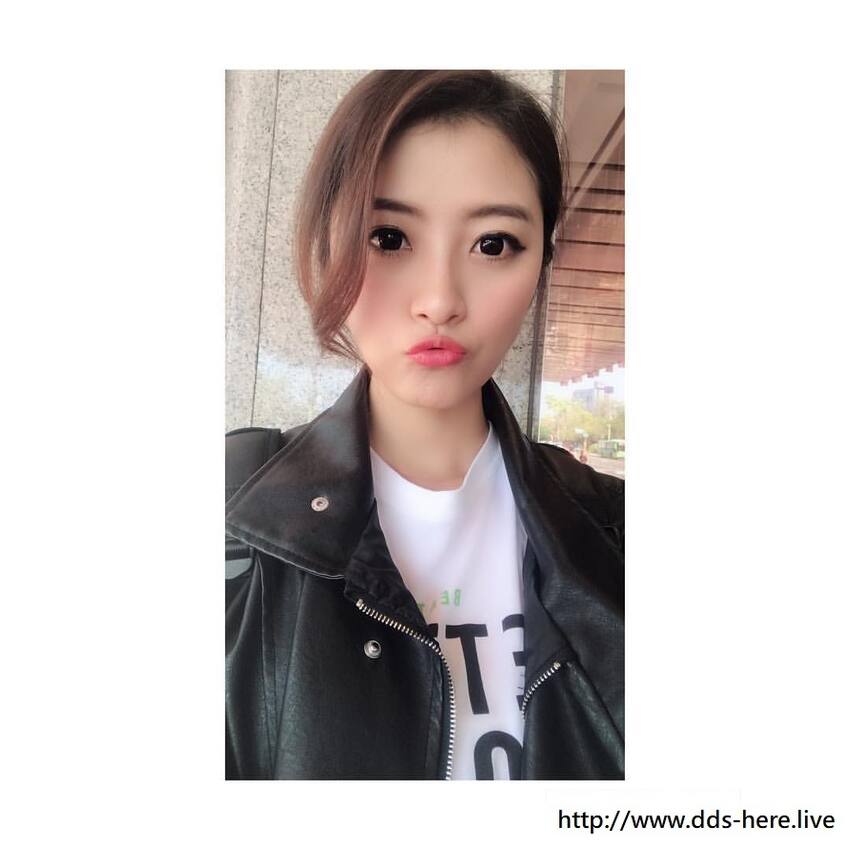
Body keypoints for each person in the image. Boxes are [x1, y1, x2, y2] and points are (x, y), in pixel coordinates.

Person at [225, 70, 624, 780]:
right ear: (327, 245)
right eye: (388, 236)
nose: (439, 300)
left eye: (494, 244)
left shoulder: (615, 527)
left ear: (542, 263)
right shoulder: (232, 519)